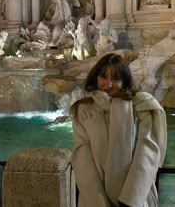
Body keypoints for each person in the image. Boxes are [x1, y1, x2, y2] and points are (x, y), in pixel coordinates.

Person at [70, 53, 167, 207]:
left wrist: (130, 199)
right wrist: (98, 202)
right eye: (103, 77)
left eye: (116, 78)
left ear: (125, 81)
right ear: (96, 77)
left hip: (136, 198)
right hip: (94, 198)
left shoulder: (142, 106)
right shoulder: (83, 110)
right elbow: (82, 156)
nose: (109, 84)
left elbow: (147, 150)